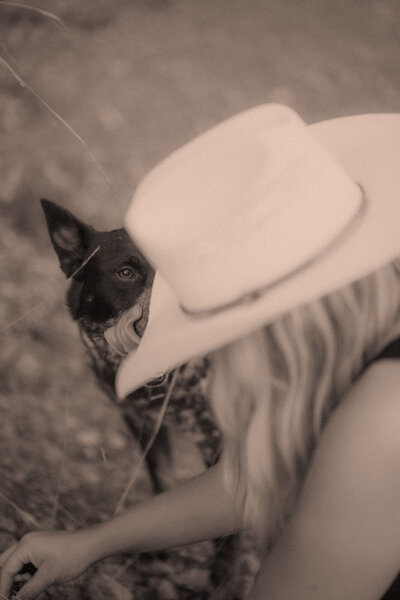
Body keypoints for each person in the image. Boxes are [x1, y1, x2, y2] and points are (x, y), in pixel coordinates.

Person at [1, 104, 400, 600]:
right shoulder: (365, 350)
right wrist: (91, 543)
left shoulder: (385, 420)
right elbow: (250, 477)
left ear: (271, 322)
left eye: (216, 335)